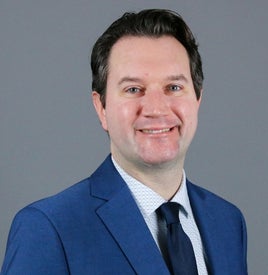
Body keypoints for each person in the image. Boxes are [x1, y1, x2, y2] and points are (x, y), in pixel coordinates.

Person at [1, 9, 247, 275]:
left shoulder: (227, 222)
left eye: (174, 87)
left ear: (197, 99)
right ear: (101, 107)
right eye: (133, 89)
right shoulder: (49, 229)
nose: (156, 108)